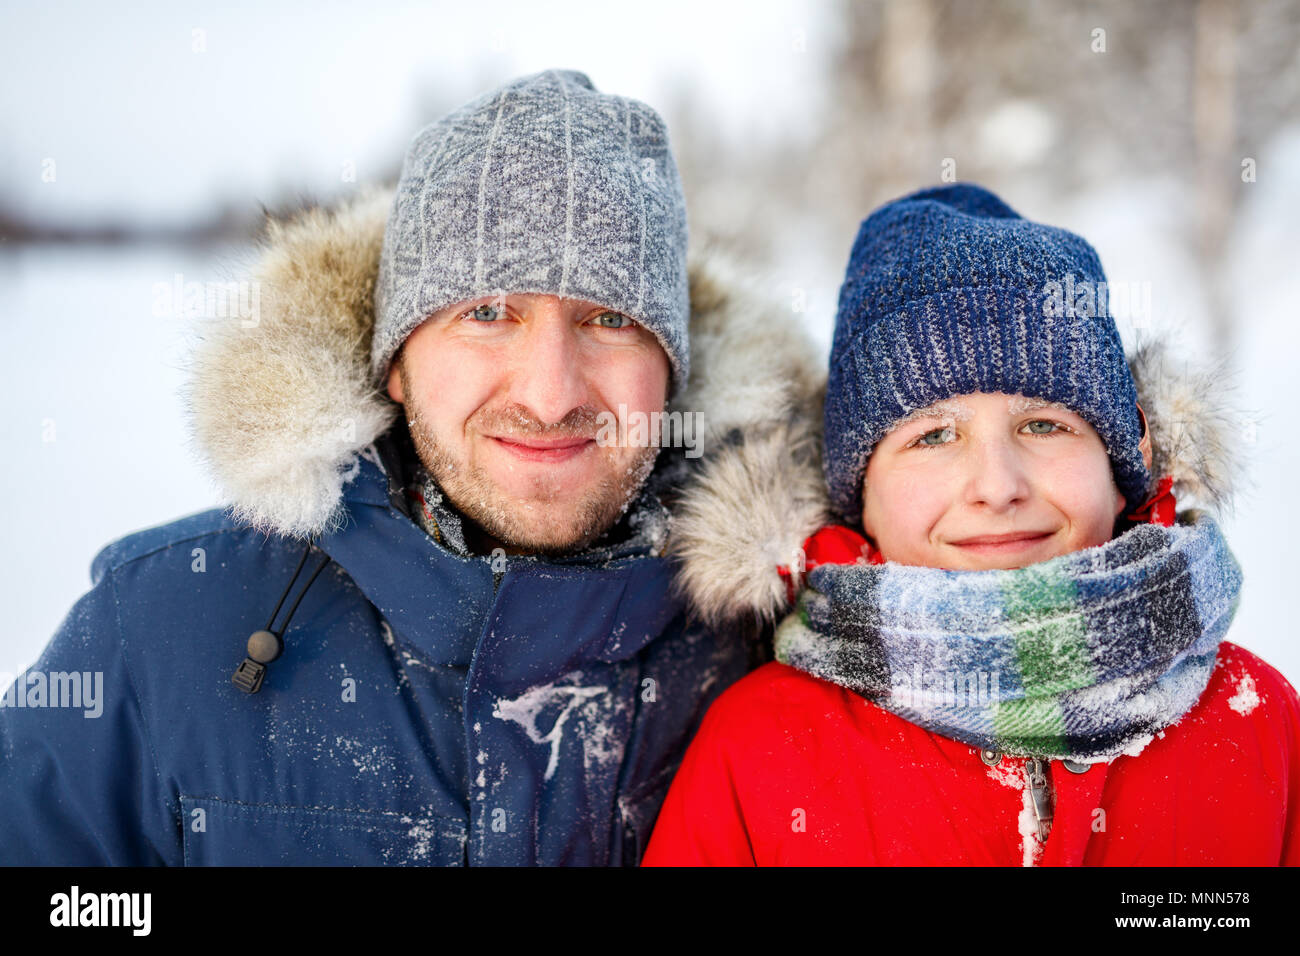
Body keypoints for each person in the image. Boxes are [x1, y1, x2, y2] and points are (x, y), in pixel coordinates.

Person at [0, 69, 824, 865]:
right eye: (488, 312)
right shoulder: (156, 633)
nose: (548, 395)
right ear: (394, 359)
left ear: (672, 371)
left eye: (609, 319)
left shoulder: (783, 642)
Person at [643, 183, 1300, 866]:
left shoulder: (1263, 727)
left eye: (1045, 424)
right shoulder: (756, 751)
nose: (996, 486)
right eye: (932, 437)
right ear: (858, 492)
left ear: (1122, 459)